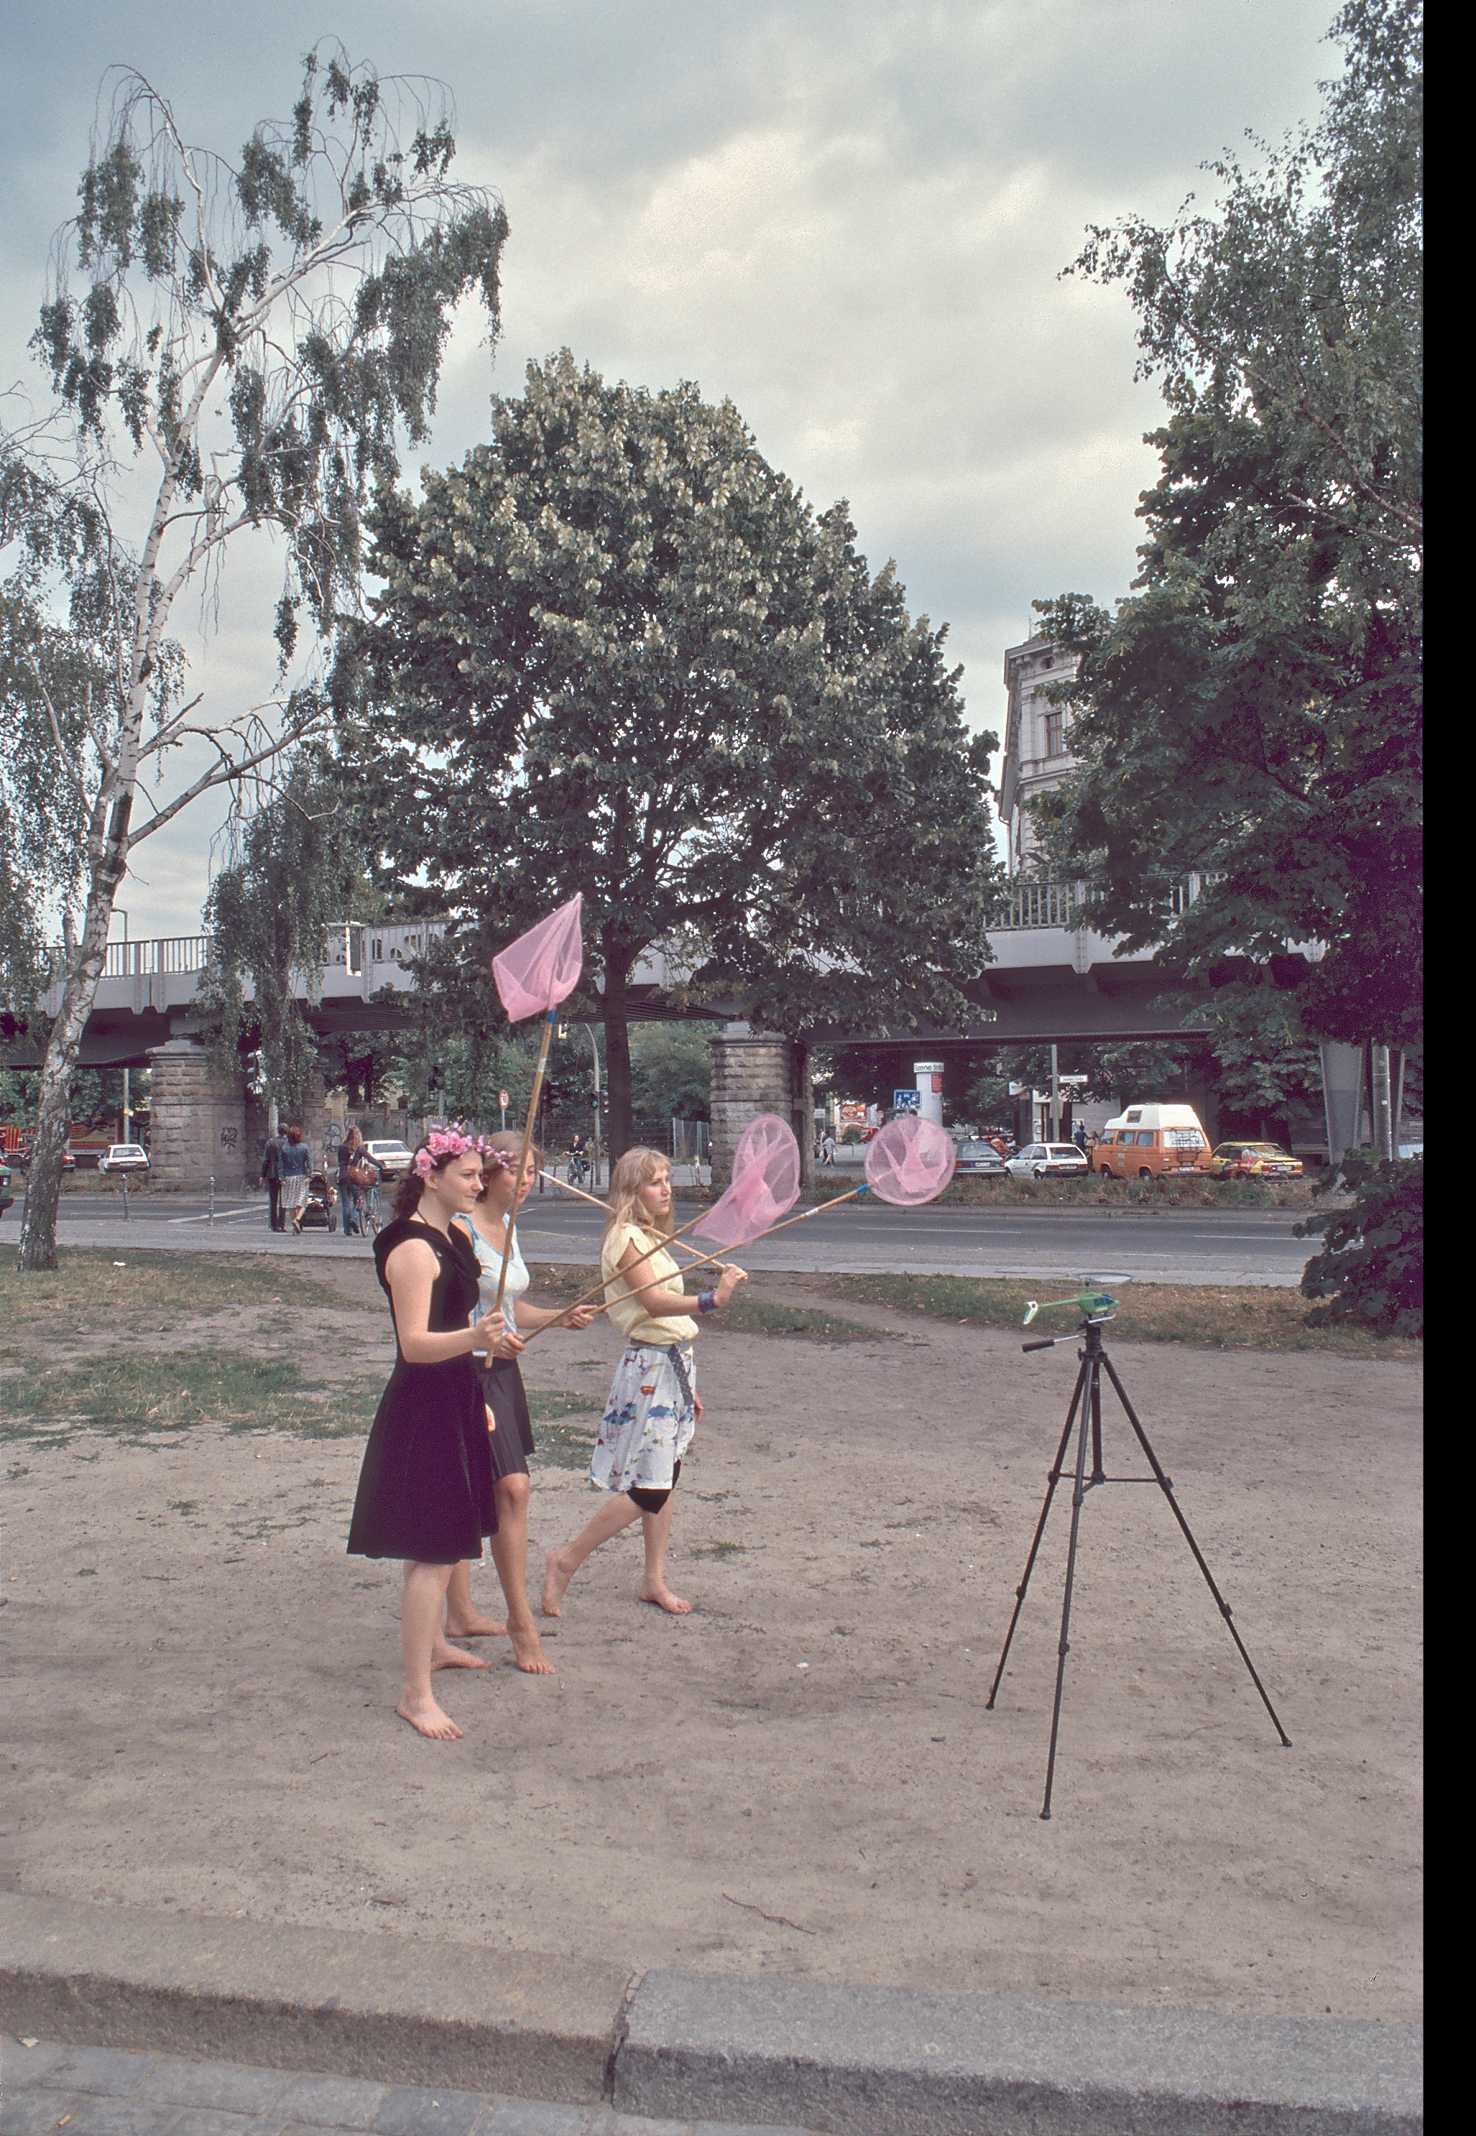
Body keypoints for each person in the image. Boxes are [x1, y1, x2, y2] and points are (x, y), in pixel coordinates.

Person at [346, 1127, 516, 1741]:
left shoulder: (453, 1237)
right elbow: (415, 1345)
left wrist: (480, 1388)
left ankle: (438, 1644)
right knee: (433, 1549)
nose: (480, 1184)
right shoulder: (414, 1250)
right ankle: (416, 1695)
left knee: (446, 1540)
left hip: (458, 1395)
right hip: (425, 1404)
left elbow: (458, 1319)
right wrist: (475, 1341)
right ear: (430, 1176)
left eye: (480, 1174)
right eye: (468, 1175)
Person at [542, 1146, 747, 1621]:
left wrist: (687, 1384)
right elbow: (653, 1304)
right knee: (649, 1487)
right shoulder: (626, 1237)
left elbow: (664, 1319)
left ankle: (652, 1580)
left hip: (671, 1363)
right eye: (654, 1182)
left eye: (667, 1179)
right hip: (650, 1367)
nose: (666, 1189)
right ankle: (565, 1561)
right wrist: (712, 1299)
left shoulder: (650, 1235)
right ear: (632, 1190)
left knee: (666, 1475)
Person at [444, 1134, 603, 1673]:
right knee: (512, 1487)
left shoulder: (508, 1230)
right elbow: (451, 1313)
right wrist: (483, 1339)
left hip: (505, 1372)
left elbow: (509, 1305)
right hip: (467, 1370)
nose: (530, 1180)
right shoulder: (460, 1230)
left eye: (536, 1170)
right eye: (521, 1170)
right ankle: (520, 1622)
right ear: (487, 1173)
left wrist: (558, 1316)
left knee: (477, 1485)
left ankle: (461, 1612)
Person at [277, 1126, 312, 1236]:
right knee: (302, 1201)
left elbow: (281, 1164)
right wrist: (309, 1176)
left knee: (291, 1203)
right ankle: (297, 1219)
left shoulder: (284, 1148)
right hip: (301, 1177)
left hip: (288, 1177)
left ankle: (294, 1227)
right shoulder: (304, 1147)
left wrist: (281, 1178)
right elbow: (309, 1162)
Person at [337, 1124, 370, 1235]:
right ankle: (354, 1218)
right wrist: (381, 1165)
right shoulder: (360, 1148)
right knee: (359, 1199)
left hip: (343, 1177)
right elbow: (370, 1158)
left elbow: (340, 1162)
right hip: (354, 1178)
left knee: (346, 1204)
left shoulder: (342, 1147)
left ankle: (347, 1230)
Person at [260, 1130, 284, 1232]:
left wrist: (263, 1175)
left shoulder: (270, 1143)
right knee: (284, 1201)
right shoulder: (288, 1143)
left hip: (272, 1173)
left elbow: (265, 1160)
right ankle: (281, 1224)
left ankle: (273, 1224)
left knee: (273, 1200)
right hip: (284, 1175)